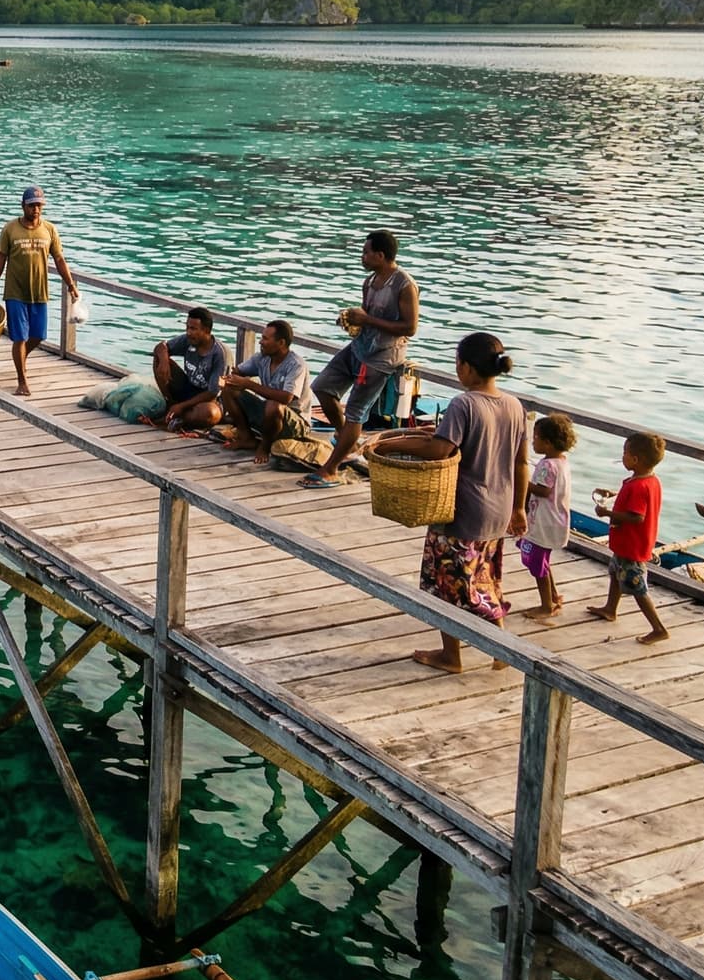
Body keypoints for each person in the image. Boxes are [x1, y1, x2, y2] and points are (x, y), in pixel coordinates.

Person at [371, 332, 528, 675]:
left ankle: (456, 654)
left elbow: (441, 449)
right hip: (498, 511)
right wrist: (519, 508)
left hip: (462, 510)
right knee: (482, 578)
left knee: (448, 584)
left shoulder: (464, 403)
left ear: (467, 368)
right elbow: (520, 463)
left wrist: (389, 446)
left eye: (458, 363)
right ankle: (497, 645)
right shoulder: (514, 406)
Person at [304, 229, 420, 489]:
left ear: (380, 255)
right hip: (359, 348)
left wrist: (366, 319)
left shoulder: (404, 285)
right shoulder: (369, 282)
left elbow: (410, 327)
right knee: (322, 387)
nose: (362, 256)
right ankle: (344, 436)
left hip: (382, 357)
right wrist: (352, 321)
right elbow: (366, 315)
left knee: (356, 411)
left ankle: (331, 468)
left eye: (366, 252)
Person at [0, 187, 79, 398]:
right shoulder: (10, 229)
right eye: (32, 205)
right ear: (23, 206)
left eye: (39, 205)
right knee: (20, 338)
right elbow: (0, 259)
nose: (36, 210)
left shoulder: (49, 230)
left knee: (38, 336)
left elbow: (59, 259)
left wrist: (70, 284)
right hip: (15, 292)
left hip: (39, 292)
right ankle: (22, 380)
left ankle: (20, 359)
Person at [587, 433, 670, 644]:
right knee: (615, 572)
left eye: (625, 453)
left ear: (635, 459)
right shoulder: (649, 480)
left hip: (632, 545)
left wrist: (608, 513)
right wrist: (615, 495)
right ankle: (610, 608)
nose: (622, 457)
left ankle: (658, 628)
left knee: (637, 587)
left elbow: (637, 517)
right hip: (626, 543)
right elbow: (636, 502)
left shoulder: (638, 486)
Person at [220, 318, 311, 463]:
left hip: (295, 422)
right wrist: (230, 378)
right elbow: (238, 371)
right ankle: (246, 437)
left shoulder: (296, 365)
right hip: (268, 414)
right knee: (229, 389)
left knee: (274, 405)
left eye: (265, 339)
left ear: (281, 343)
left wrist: (248, 384)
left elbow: (286, 398)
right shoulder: (262, 358)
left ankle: (265, 446)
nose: (260, 342)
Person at [518, 414, 577, 618]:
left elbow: (542, 490)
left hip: (544, 521)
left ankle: (546, 605)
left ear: (548, 443)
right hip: (555, 519)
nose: (533, 441)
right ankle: (553, 595)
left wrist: (522, 481)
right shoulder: (562, 462)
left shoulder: (547, 465)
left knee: (536, 563)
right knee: (544, 560)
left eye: (536, 438)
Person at [152, 307, 228, 431]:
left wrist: (182, 406)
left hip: (208, 398)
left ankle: (179, 416)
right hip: (188, 386)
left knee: (211, 413)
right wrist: (164, 359)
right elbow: (161, 347)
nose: (188, 332)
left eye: (193, 329)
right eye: (187, 328)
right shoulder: (188, 340)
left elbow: (212, 393)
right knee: (158, 359)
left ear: (206, 330)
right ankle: (171, 405)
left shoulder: (220, 354)